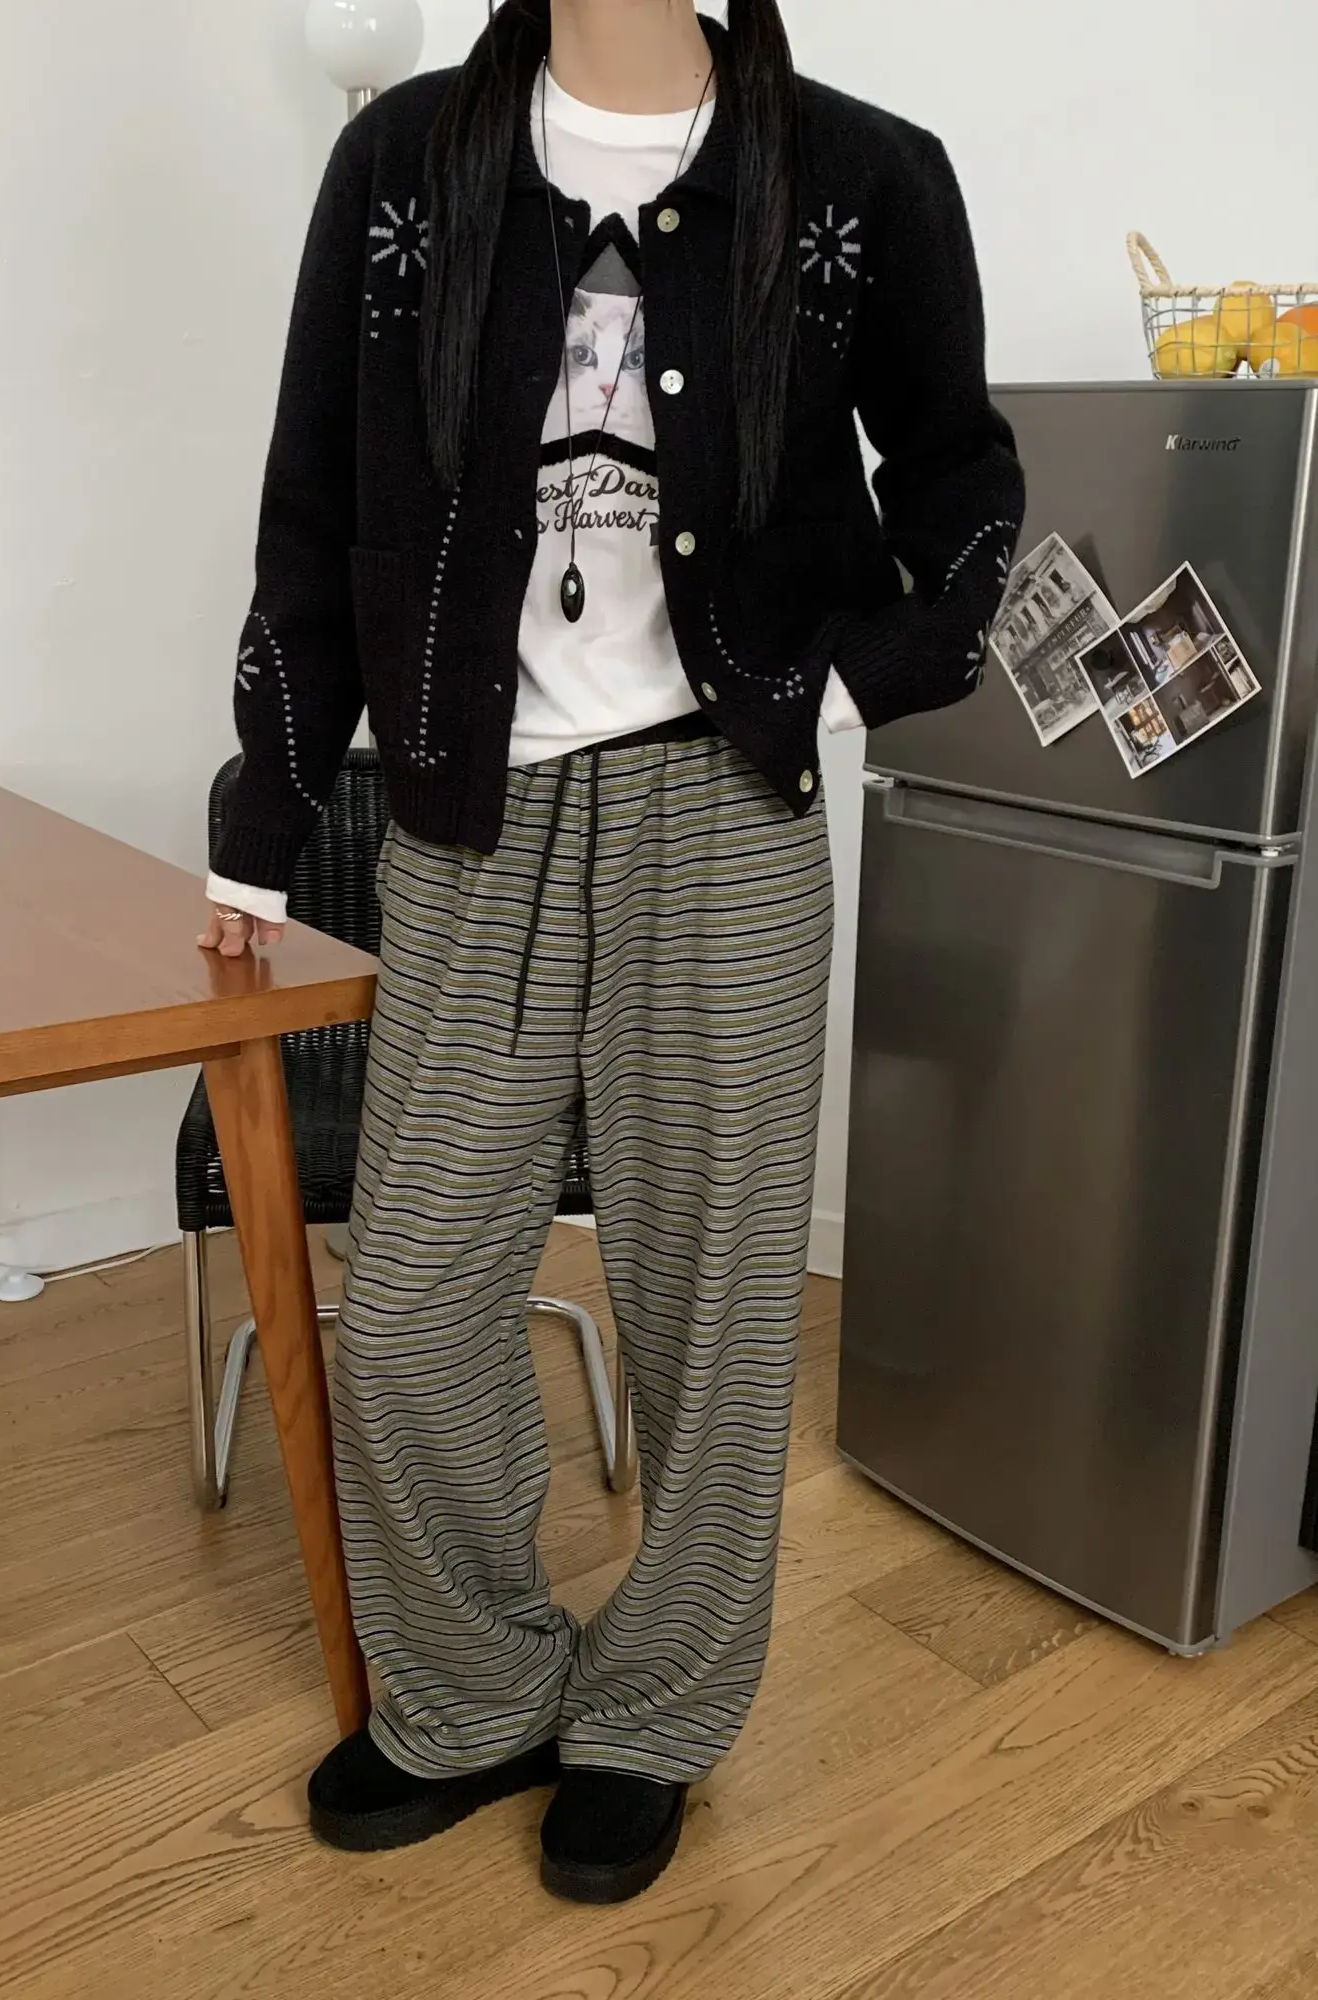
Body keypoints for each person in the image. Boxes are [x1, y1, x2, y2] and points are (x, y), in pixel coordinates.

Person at [199, 0, 1023, 1905]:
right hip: (467, 818)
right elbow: (311, 506)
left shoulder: (863, 174)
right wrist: (263, 824)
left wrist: (836, 682)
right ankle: (473, 1693)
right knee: (412, 1299)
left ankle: (652, 1716)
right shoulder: (406, 162)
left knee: (712, 1309)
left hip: (723, 812)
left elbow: (964, 488)